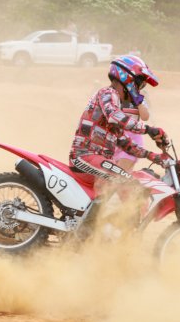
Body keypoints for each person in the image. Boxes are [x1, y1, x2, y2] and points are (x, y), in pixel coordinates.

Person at [69, 54, 170, 226]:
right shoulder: (107, 93)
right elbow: (115, 117)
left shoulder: (115, 102)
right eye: (139, 83)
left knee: (128, 183)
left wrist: (152, 156)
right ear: (128, 78)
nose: (139, 88)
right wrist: (148, 129)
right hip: (84, 156)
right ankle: (88, 230)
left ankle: (115, 230)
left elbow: (124, 142)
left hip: (98, 159)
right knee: (122, 178)